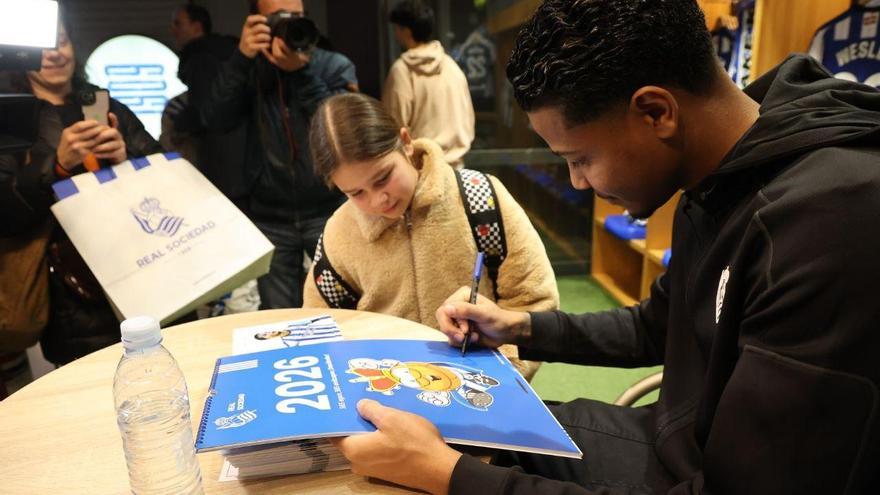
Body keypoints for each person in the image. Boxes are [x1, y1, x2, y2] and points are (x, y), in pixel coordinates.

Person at [330, 0, 880, 493]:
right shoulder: (720, 177)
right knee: (465, 429)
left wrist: (448, 476)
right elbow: (658, 326)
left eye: (580, 158)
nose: (576, 183)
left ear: (656, 112)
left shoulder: (831, 226)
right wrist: (518, 325)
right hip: (677, 441)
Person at [302, 93, 558, 379]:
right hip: (385, 397)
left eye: (383, 177)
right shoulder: (339, 233)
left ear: (406, 141)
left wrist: (506, 375)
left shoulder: (480, 199)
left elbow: (534, 299)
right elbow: (321, 327)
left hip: (485, 387)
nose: (378, 200)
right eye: (356, 193)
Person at [1, 15, 165, 365]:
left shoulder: (105, 105)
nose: (55, 54)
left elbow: (165, 173)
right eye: (42, 46)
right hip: (69, 287)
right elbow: (5, 211)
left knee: (161, 365)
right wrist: (56, 165)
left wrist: (125, 156)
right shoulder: (10, 117)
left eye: (61, 41)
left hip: (141, 263)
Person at [202, 0, 358, 309]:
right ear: (257, 23)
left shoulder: (332, 65)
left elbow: (346, 130)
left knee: (347, 305)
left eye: (297, 17)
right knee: (280, 317)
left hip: (330, 208)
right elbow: (215, 119)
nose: (289, 25)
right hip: (270, 215)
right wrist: (241, 59)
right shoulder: (249, 70)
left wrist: (302, 74)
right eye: (279, 19)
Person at [165, 3, 251, 211]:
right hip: (245, 161)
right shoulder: (227, 52)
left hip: (221, 164)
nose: (173, 30)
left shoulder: (201, 58)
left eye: (178, 23)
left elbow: (203, 111)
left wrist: (180, 122)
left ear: (196, 27)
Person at [383, 0, 475, 168]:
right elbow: (468, 120)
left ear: (406, 31)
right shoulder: (451, 66)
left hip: (421, 171)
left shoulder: (401, 70)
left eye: (397, 28)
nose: (396, 34)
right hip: (457, 170)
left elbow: (394, 126)